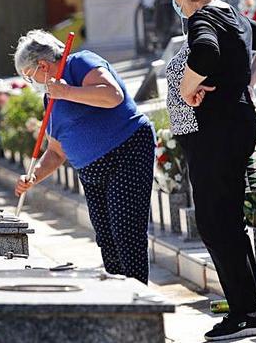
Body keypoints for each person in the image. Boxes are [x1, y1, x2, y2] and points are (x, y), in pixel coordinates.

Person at [160, 0, 256, 341]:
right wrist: (248, 81)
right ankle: (248, 309)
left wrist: (187, 87)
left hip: (216, 131)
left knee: (216, 223)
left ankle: (245, 312)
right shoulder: (229, 12)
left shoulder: (202, 17)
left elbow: (206, 51)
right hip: (235, 123)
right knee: (225, 220)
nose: (174, 1)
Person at [12, 30, 155, 284]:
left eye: (29, 75)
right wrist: (33, 177)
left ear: (42, 65)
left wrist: (67, 92)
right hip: (91, 170)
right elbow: (56, 152)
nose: (30, 82)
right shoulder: (50, 98)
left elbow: (112, 95)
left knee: (126, 233)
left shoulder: (79, 63)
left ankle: (137, 299)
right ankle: (118, 298)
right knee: (106, 238)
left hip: (126, 151)